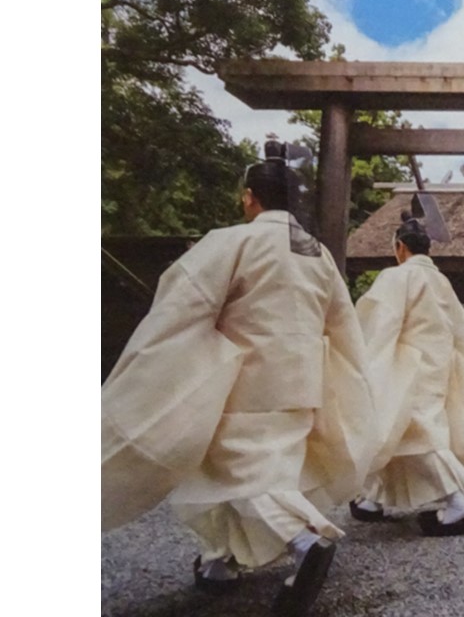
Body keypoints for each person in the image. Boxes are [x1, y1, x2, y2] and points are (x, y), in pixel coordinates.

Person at [101, 140, 373, 617]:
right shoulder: (319, 256)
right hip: (301, 382)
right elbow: (343, 325)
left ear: (250, 196)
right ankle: (219, 562)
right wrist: (351, 386)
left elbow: (185, 304)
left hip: (244, 382)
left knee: (235, 471)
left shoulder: (233, 241)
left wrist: (159, 361)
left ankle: (305, 540)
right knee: (244, 471)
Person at [349, 212, 464, 538]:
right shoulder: (442, 282)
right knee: (399, 432)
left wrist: (366, 362)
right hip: (438, 364)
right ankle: (373, 498)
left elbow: (381, 323)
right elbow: (461, 332)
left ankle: (456, 501)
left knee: (413, 431)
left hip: (405, 365)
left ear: (399, 247)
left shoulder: (397, 277)